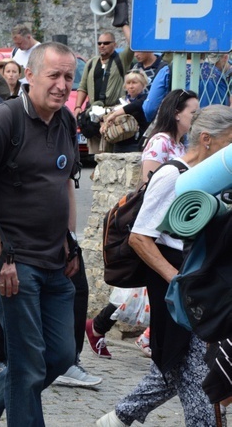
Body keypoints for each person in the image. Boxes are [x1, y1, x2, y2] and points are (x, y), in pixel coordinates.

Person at [0, 42, 82, 426]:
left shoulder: (66, 121)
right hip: (11, 258)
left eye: (69, 77)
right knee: (28, 361)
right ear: (30, 76)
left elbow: (65, 183)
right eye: (54, 76)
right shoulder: (4, 119)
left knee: (61, 354)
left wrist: (69, 240)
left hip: (54, 258)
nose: (62, 85)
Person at [96, 103, 232, 427]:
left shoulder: (214, 177)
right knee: (193, 371)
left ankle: (118, 417)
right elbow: (139, 237)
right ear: (207, 140)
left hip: (198, 287)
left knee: (177, 365)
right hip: (177, 287)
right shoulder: (172, 175)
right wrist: (179, 282)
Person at [87, 89, 200, 362]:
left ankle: (107, 328)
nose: (196, 118)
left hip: (169, 229)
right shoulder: (161, 142)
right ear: (176, 113)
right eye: (192, 113)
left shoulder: (182, 144)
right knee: (143, 291)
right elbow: (149, 185)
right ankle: (148, 339)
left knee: (138, 293)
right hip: (155, 228)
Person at [74, 25, 133, 154]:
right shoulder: (91, 63)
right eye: (99, 43)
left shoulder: (121, 60)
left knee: (111, 154)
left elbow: (132, 43)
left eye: (106, 43)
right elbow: (83, 85)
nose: (102, 45)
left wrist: (123, 24)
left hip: (114, 114)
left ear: (114, 44)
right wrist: (78, 107)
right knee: (96, 156)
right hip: (93, 114)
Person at [142, 53, 230, 123]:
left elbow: (150, 108)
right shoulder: (218, 74)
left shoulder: (167, 71)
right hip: (213, 132)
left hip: (180, 134)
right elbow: (224, 105)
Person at [101, 70, 151, 153]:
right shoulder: (122, 100)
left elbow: (134, 106)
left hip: (137, 143)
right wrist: (104, 124)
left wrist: (114, 115)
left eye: (134, 82)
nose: (131, 86)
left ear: (143, 84)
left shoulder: (145, 99)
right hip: (119, 143)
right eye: (128, 83)